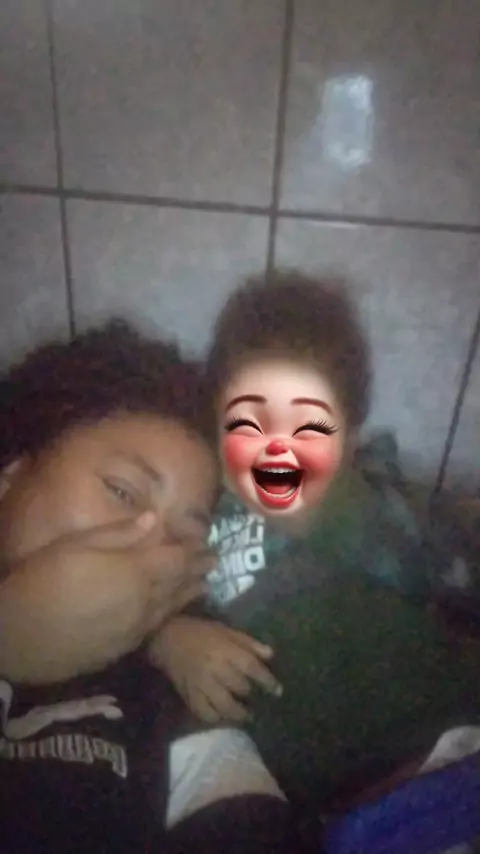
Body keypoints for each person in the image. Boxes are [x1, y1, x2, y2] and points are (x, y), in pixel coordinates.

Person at [151, 271, 480, 831]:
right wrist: (171, 642)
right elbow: (137, 600)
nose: (277, 450)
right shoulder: (198, 511)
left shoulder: (386, 505)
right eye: (250, 424)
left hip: (421, 751)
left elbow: (462, 559)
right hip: (273, 778)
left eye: (308, 427)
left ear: (348, 439)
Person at [0, 320, 303, 854]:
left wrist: (160, 639)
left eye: (185, 535)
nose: (156, 551)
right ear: (12, 475)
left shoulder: (168, 677)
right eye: (122, 491)